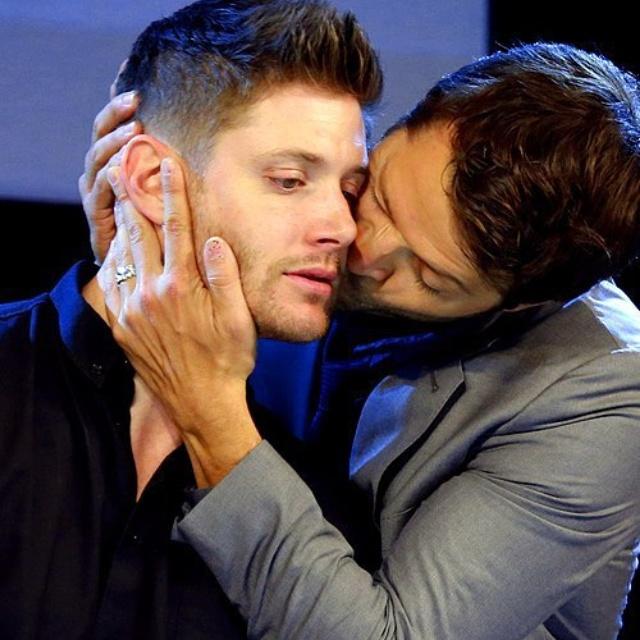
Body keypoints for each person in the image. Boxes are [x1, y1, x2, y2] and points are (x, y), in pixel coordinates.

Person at [89, 42, 640, 639]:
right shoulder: (321, 213)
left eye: (427, 276)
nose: (360, 246)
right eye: (381, 196)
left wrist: (211, 411)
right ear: (410, 122)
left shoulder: (609, 400)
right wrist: (147, 247)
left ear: (523, 302)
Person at [0, 1, 382, 638]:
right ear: (152, 178)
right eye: (290, 180)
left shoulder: (316, 528)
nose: (342, 227)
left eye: (348, 190)